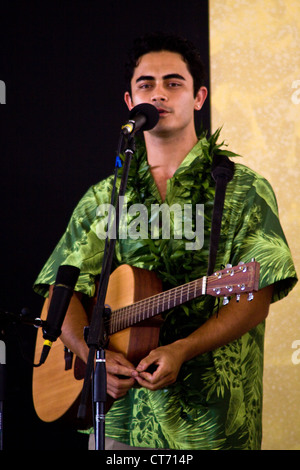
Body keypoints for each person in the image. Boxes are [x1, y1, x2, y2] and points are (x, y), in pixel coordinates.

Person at [34, 32, 297, 450]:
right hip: (119, 421)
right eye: (146, 84)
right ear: (129, 102)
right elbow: (59, 295)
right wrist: (93, 357)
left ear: (198, 97)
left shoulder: (242, 190)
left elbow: (256, 293)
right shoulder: (105, 196)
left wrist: (183, 348)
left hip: (211, 421)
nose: (159, 94)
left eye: (174, 83)